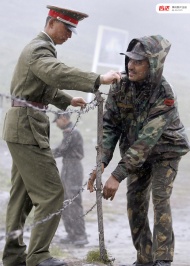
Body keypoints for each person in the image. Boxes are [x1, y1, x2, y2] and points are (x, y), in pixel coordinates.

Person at [2, 5, 121, 266]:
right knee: (52, 193)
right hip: (26, 126)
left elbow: (38, 85)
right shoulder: (39, 49)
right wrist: (98, 78)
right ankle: (38, 256)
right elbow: (54, 72)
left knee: (21, 198)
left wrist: (67, 99)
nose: (69, 35)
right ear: (52, 23)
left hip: (23, 124)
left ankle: (13, 257)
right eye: (67, 28)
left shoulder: (39, 49)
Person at [87, 35, 190, 266]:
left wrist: (117, 175)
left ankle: (163, 259)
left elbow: (147, 140)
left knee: (160, 199)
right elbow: (110, 125)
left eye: (138, 61)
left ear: (153, 64)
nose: (131, 66)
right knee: (135, 202)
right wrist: (102, 161)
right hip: (136, 153)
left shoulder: (164, 93)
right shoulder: (120, 85)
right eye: (129, 59)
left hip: (165, 151)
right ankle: (145, 259)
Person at [52, 112, 88, 246]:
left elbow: (62, 149)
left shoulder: (71, 132)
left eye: (57, 120)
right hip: (68, 167)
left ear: (64, 118)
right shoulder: (70, 131)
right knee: (65, 200)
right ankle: (71, 233)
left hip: (73, 168)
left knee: (73, 201)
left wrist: (44, 154)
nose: (56, 123)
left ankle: (80, 235)